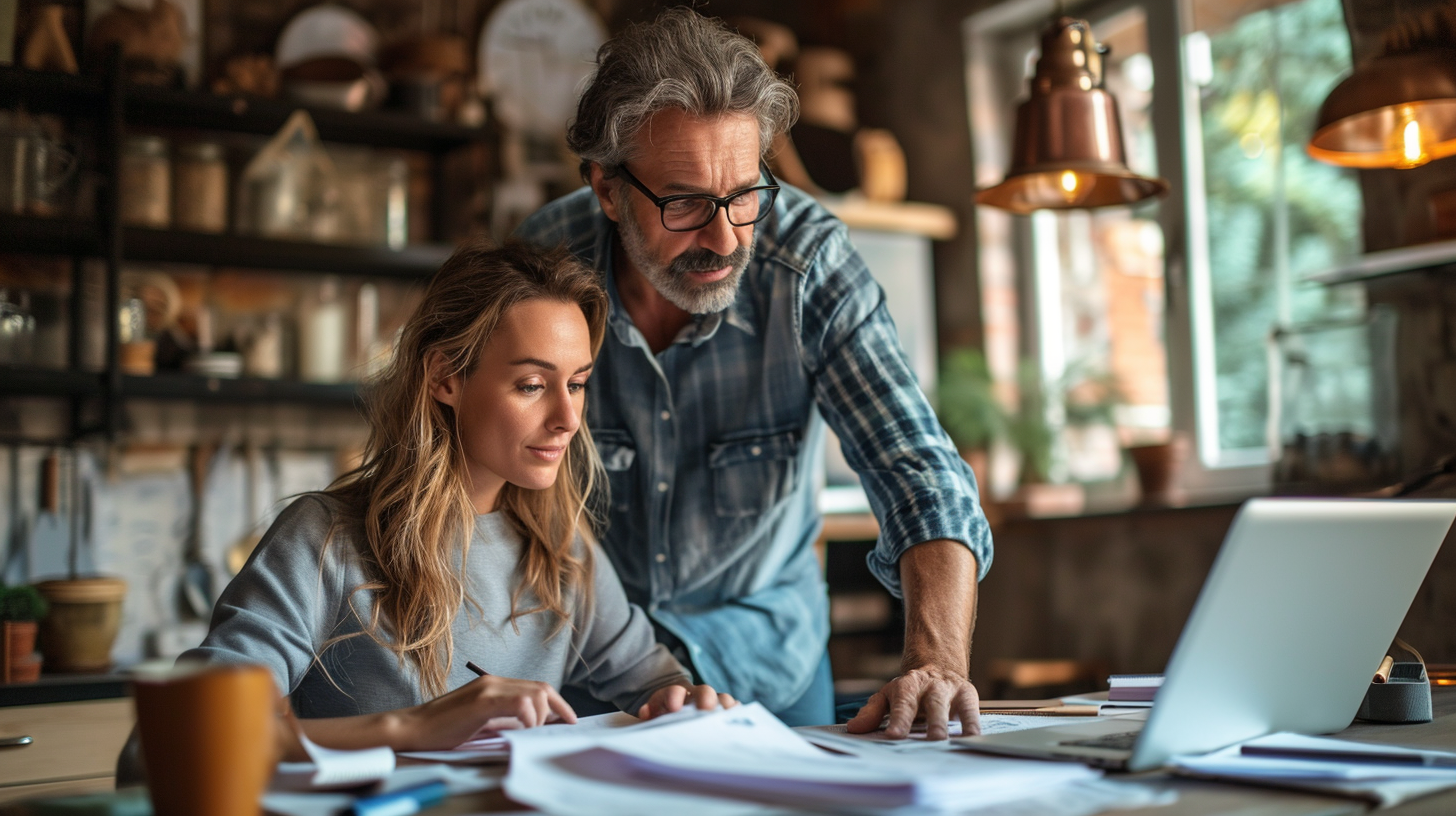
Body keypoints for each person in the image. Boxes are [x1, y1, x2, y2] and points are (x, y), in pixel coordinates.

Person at [515, 9, 992, 736]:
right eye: (684, 202)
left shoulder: (807, 263)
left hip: (766, 663)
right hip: (585, 671)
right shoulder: (541, 263)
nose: (726, 237)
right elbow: (473, 482)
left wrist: (937, 659)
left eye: (744, 194)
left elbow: (920, 471)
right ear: (607, 190)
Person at [181, 243, 732, 756]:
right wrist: (414, 727)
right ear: (445, 377)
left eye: (578, 383)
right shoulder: (325, 536)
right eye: (532, 386)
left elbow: (656, 680)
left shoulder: (561, 547)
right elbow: (193, 733)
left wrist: (678, 701)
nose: (567, 419)